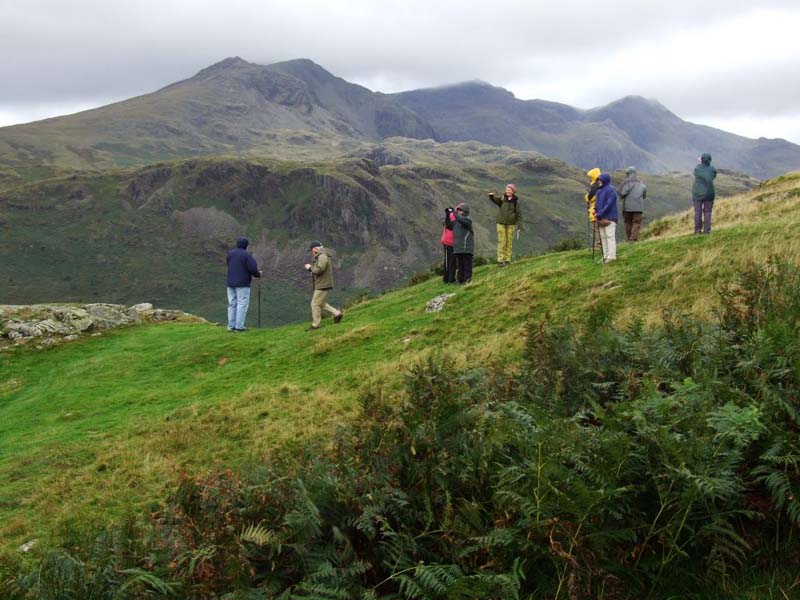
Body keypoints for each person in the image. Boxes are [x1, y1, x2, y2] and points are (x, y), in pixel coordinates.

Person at [303, 241, 343, 331]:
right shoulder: (322, 255)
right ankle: (337, 314)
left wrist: (309, 268)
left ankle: (315, 325)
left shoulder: (322, 256)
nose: (312, 252)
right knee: (321, 303)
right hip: (323, 283)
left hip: (323, 284)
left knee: (314, 304)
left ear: (316, 249)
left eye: (312, 250)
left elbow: (319, 270)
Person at [226, 237, 262, 332]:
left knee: (232, 304)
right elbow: (253, 269)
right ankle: (239, 327)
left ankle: (231, 326)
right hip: (242, 284)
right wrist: (258, 274)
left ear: (237, 244)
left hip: (230, 283)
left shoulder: (230, 254)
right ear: (246, 245)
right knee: (242, 304)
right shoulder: (246, 255)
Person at [488, 183, 523, 266]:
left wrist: (520, 226)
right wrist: (491, 196)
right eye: (506, 189)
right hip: (501, 223)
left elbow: (519, 215)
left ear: (513, 191)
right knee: (502, 241)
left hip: (511, 224)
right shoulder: (503, 199)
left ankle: (507, 260)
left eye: (509, 190)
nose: (507, 191)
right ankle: (500, 260)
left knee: (509, 242)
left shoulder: (516, 202)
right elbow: (495, 200)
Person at [594, 173, 619, 263]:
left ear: (604, 180)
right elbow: (597, 203)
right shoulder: (599, 191)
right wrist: (595, 211)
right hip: (601, 218)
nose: (599, 182)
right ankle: (605, 256)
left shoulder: (611, 190)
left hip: (610, 217)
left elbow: (609, 204)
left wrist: (599, 213)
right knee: (604, 237)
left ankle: (611, 256)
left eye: (600, 180)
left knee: (609, 236)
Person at [618, 166, 647, 242]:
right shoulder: (641, 183)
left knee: (628, 222)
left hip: (627, 208)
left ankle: (629, 239)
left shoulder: (626, 182)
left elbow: (622, 193)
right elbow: (644, 195)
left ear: (628, 173)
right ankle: (633, 239)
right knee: (636, 223)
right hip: (638, 208)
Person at [692, 153, 717, 234]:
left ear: (701, 160)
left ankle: (697, 231)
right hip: (709, 193)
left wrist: (700, 163)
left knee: (697, 212)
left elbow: (695, 172)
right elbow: (713, 176)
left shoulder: (697, 169)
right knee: (708, 212)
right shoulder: (712, 169)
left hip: (697, 193)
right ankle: (706, 231)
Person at [452, 203, 474, 284]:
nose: (458, 212)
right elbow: (447, 225)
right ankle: (460, 280)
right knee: (460, 266)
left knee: (467, 265)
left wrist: (454, 213)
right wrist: (448, 215)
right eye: (458, 210)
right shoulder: (456, 222)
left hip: (466, 247)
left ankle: (467, 280)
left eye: (460, 210)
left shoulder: (468, 220)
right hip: (458, 248)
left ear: (464, 211)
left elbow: (462, 220)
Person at [584, 168, 603, 253]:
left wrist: (586, 197)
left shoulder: (595, 186)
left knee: (597, 229)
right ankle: (603, 244)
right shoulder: (602, 184)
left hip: (595, 210)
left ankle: (598, 245)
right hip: (602, 210)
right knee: (601, 228)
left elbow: (590, 197)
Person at [441, 206, 457, 283]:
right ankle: (450, 279)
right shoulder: (450, 220)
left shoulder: (447, 219)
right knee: (450, 262)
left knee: (449, 261)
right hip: (449, 243)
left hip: (448, 242)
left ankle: (447, 278)